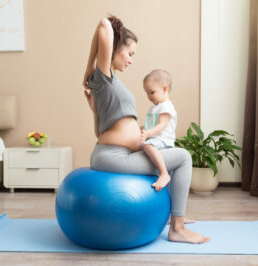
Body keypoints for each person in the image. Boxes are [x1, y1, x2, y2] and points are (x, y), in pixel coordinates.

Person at [83, 15, 210, 244]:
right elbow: (103, 23)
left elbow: (99, 133)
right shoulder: (103, 77)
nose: (131, 60)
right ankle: (177, 228)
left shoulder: (109, 84)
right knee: (183, 158)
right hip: (114, 156)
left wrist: (95, 111)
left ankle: (176, 219)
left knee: (173, 158)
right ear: (113, 48)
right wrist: (87, 70)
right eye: (130, 53)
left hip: (115, 152)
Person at [140, 69, 176, 191]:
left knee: (148, 145)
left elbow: (161, 125)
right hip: (155, 139)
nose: (149, 96)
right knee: (141, 145)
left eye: (151, 92)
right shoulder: (153, 108)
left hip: (164, 140)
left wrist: (148, 134)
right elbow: (148, 126)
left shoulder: (166, 106)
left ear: (165, 89)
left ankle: (164, 173)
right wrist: (138, 129)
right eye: (147, 93)